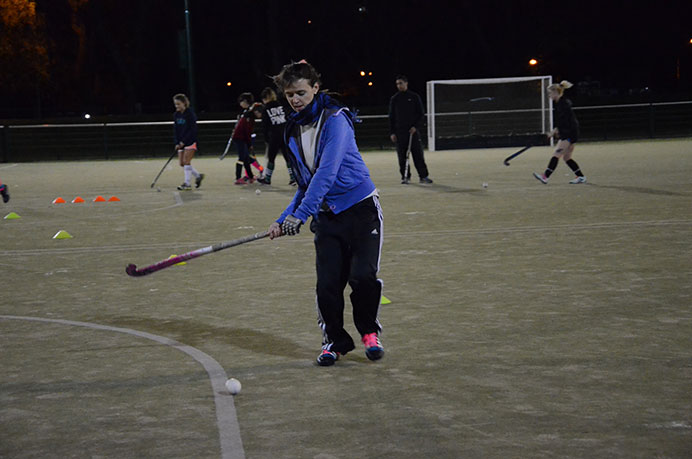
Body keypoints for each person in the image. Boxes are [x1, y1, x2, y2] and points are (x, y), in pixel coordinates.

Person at [267, 61, 385, 367]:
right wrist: (284, 218)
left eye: (301, 93)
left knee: (363, 277)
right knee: (327, 285)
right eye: (290, 94)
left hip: (360, 210)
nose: (295, 100)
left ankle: (369, 332)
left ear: (316, 88)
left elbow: (327, 173)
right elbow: (306, 183)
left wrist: (301, 214)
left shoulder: (336, 119)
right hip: (327, 217)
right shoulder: (291, 131)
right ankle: (334, 341)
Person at [533, 80, 586, 185]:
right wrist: (557, 131)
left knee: (557, 154)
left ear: (556, 93)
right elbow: (564, 121)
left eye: (550, 93)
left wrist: (554, 132)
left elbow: (565, 121)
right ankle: (581, 176)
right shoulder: (560, 103)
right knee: (567, 157)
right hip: (570, 132)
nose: (549, 95)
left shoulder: (563, 104)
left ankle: (545, 176)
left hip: (570, 133)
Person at [388, 75, 432, 184]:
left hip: (413, 132)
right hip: (400, 133)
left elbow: (421, 114)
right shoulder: (394, 99)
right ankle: (405, 176)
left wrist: (415, 127)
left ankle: (423, 176)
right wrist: (392, 132)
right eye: (397, 84)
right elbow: (391, 117)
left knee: (418, 155)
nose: (399, 85)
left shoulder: (414, 97)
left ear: (406, 83)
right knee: (402, 157)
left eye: (401, 83)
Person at [257, 87, 296, 186]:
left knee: (271, 158)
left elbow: (265, 125)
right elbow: (287, 119)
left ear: (265, 98)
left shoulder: (266, 109)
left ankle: (267, 179)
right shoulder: (281, 106)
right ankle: (293, 178)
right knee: (288, 157)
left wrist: (266, 138)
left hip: (274, 136)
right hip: (284, 135)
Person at [173, 93, 204, 191]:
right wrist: (177, 142)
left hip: (190, 141)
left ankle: (187, 184)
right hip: (181, 142)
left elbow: (192, 130)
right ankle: (198, 176)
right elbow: (176, 130)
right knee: (182, 163)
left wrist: (184, 141)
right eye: (175, 104)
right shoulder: (176, 115)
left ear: (184, 103)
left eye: (178, 104)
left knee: (187, 162)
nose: (177, 106)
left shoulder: (190, 114)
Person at [233, 93, 265, 185]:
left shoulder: (248, 114)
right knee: (242, 158)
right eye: (260, 114)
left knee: (246, 158)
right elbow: (247, 132)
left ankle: (250, 177)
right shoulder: (249, 116)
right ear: (257, 112)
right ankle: (238, 178)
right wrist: (249, 144)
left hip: (242, 138)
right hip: (240, 138)